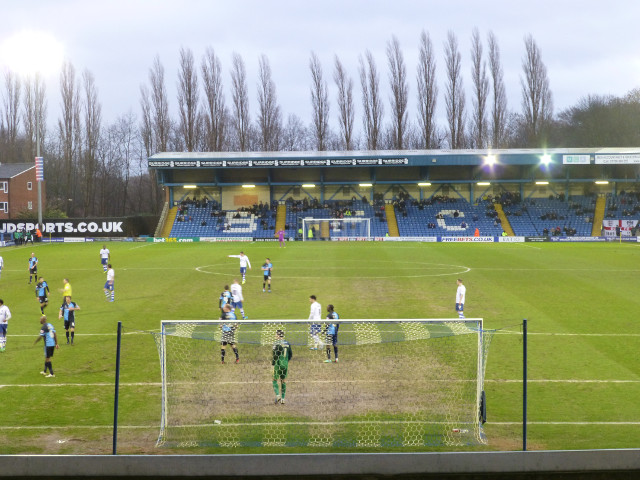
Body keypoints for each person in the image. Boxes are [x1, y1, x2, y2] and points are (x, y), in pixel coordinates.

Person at [272, 329, 292, 404]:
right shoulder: (287, 343)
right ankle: (283, 399)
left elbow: (275, 355)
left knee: (274, 380)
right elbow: (290, 355)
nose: (275, 336)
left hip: (278, 364)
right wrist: (286, 361)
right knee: (283, 381)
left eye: (275, 334)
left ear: (278, 335)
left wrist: (273, 364)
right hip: (285, 364)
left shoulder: (276, 343)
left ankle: (278, 396)